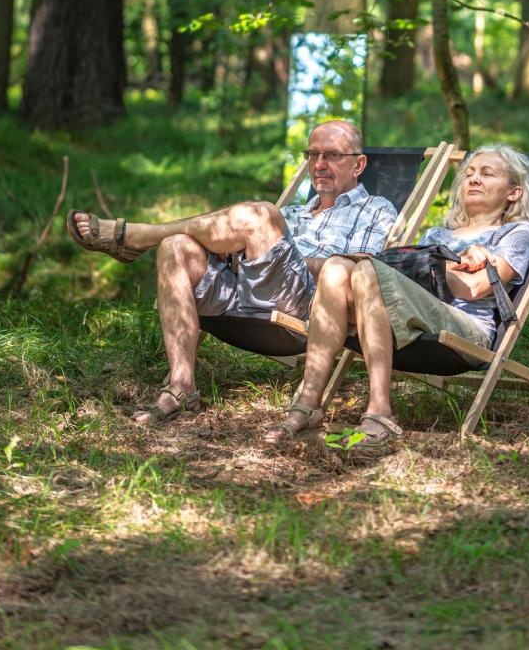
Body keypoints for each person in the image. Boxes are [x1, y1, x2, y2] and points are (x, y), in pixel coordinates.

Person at [66, 120, 397, 423]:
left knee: (262, 215)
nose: (319, 164)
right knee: (176, 247)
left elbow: (359, 275)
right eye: (313, 155)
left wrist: (270, 249)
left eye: (332, 155)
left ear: (358, 164)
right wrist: (244, 253)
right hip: (245, 289)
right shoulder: (294, 212)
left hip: (308, 307)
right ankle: (182, 386)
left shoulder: (376, 210)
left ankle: (139, 236)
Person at [266, 143, 529, 453]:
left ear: (513, 192)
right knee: (335, 267)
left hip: (466, 331)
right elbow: (414, 280)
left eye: (487, 174)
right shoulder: (438, 235)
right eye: (469, 174)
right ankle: (307, 403)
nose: (474, 180)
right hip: (412, 318)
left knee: (368, 271)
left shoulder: (516, 232)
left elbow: (475, 289)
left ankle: (380, 410)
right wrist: (446, 263)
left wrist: (437, 266)